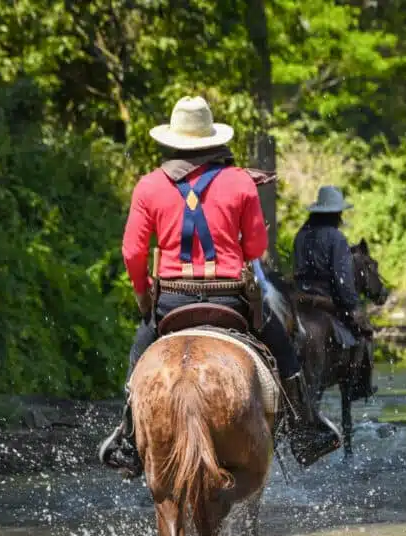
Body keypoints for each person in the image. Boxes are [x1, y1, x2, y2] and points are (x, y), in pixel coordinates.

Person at [97, 95, 341, 474]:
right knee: (283, 347)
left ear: (171, 141)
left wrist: (145, 299)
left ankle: (127, 437)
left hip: (171, 302)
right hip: (232, 299)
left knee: (137, 357)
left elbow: (132, 253)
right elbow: (257, 247)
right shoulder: (240, 182)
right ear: (213, 141)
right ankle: (305, 427)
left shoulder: (148, 186)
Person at [292, 186, 374, 400]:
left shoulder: (301, 235)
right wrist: (353, 306)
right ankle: (358, 386)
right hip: (326, 299)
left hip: (299, 299)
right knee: (363, 333)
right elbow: (343, 279)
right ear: (336, 213)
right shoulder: (336, 238)